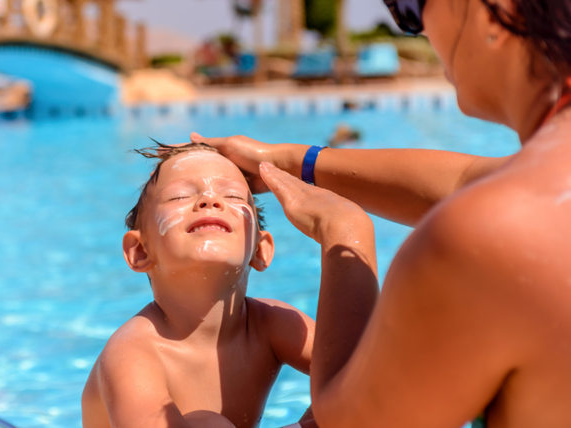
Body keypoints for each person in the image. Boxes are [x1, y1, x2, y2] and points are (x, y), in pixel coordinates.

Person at [189, 0, 571, 425]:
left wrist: (344, 230)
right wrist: (293, 161)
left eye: (410, 6)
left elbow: (347, 420)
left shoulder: (480, 242)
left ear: (495, 10)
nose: (416, 28)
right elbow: (467, 179)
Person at [81, 143, 316, 428]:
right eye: (179, 196)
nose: (210, 200)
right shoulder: (132, 354)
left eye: (231, 195)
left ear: (259, 249)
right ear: (140, 251)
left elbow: (362, 376)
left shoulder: (274, 325)